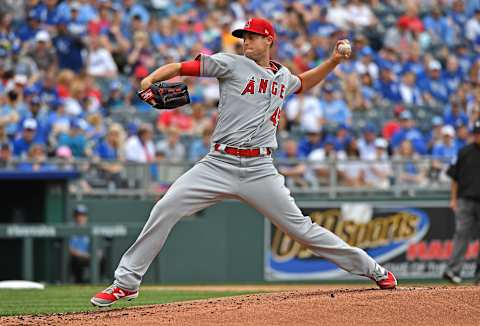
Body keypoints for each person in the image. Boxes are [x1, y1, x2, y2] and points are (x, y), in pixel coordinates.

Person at [91, 17, 397, 307]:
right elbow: (182, 66)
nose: (245, 41)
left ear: (269, 40)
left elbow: (302, 83)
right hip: (217, 163)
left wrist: (332, 62)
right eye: (243, 37)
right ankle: (126, 282)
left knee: (302, 229)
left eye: (251, 37)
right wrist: (151, 77)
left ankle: (373, 269)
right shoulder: (231, 63)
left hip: (260, 170)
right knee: (164, 208)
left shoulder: (283, 76)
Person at [443, 120, 480, 285]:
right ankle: (453, 270)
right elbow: (454, 178)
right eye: (477, 133)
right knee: (461, 234)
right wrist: (453, 199)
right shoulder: (464, 151)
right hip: (465, 200)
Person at [69, 204, 91, 284]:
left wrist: (96, 253)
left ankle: (99, 281)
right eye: (78, 215)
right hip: (75, 257)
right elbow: (69, 249)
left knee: (101, 258)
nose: (81, 218)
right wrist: (81, 254)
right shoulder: (70, 229)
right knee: (77, 260)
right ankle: (78, 282)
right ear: (74, 217)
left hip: (88, 256)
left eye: (83, 215)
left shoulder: (89, 229)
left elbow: (95, 246)